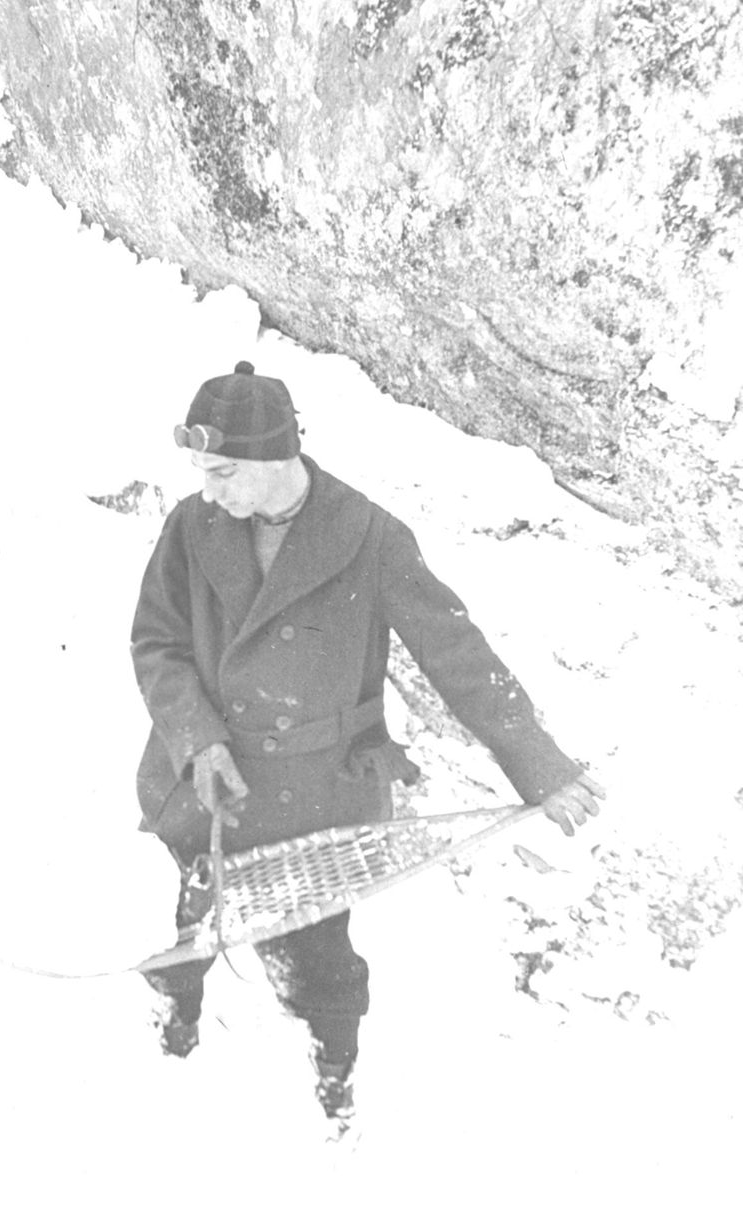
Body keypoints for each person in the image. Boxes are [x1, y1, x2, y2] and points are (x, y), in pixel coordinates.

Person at [130, 360, 603, 1125]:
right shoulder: (193, 525)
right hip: (205, 783)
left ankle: (333, 1082)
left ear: (272, 458)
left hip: (315, 794)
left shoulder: (369, 536)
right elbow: (158, 643)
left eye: (221, 472)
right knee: (190, 921)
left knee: (320, 957)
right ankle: (173, 1029)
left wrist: (539, 766)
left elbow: (459, 656)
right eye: (202, 472)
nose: (208, 489)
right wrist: (199, 741)